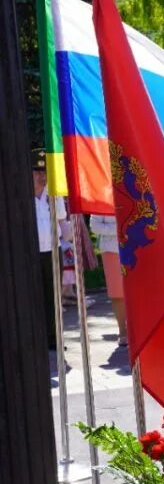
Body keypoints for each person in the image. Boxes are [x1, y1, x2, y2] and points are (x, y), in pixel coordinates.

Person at [33, 150, 67, 351]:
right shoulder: (22, 193)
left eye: (44, 170)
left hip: (53, 251)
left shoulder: (53, 193)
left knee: (53, 296)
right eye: (37, 171)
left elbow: (62, 218)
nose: (42, 175)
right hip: (32, 252)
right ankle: (38, 337)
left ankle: (55, 337)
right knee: (36, 295)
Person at [90, 214, 127, 344]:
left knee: (139, 291)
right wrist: (119, 228)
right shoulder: (102, 196)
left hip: (136, 246)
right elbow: (94, 226)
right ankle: (123, 331)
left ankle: (140, 330)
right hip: (111, 250)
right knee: (117, 293)